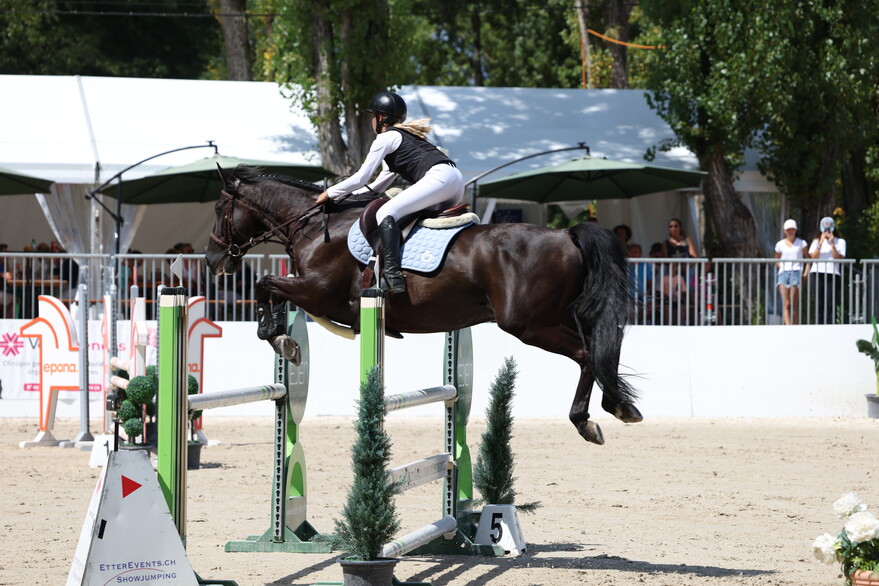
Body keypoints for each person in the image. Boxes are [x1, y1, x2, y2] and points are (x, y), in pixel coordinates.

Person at [315, 91, 464, 293]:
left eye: (372, 116)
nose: (371, 122)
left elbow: (360, 178)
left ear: (380, 118)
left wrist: (329, 193)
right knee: (405, 218)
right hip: (455, 181)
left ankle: (393, 275)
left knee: (385, 212)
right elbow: (376, 186)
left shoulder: (385, 138)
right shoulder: (406, 138)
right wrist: (348, 197)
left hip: (439, 179)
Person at [808, 216, 846, 324]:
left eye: (829, 230)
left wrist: (832, 243)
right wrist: (820, 243)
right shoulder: (816, 241)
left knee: (830, 302)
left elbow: (837, 257)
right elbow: (814, 256)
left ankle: (831, 325)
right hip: (817, 273)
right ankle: (819, 325)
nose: (827, 233)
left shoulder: (840, 242)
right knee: (819, 302)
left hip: (832, 273)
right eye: (825, 230)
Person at [774, 219, 808, 325]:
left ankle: (795, 326)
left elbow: (808, 259)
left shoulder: (802, 243)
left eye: (792, 229)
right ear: (784, 231)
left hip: (796, 272)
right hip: (783, 273)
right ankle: (788, 326)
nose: (790, 231)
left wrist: (805, 274)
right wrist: (782, 268)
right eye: (788, 229)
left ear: (795, 230)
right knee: (786, 303)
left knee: (794, 304)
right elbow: (777, 259)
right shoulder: (780, 244)